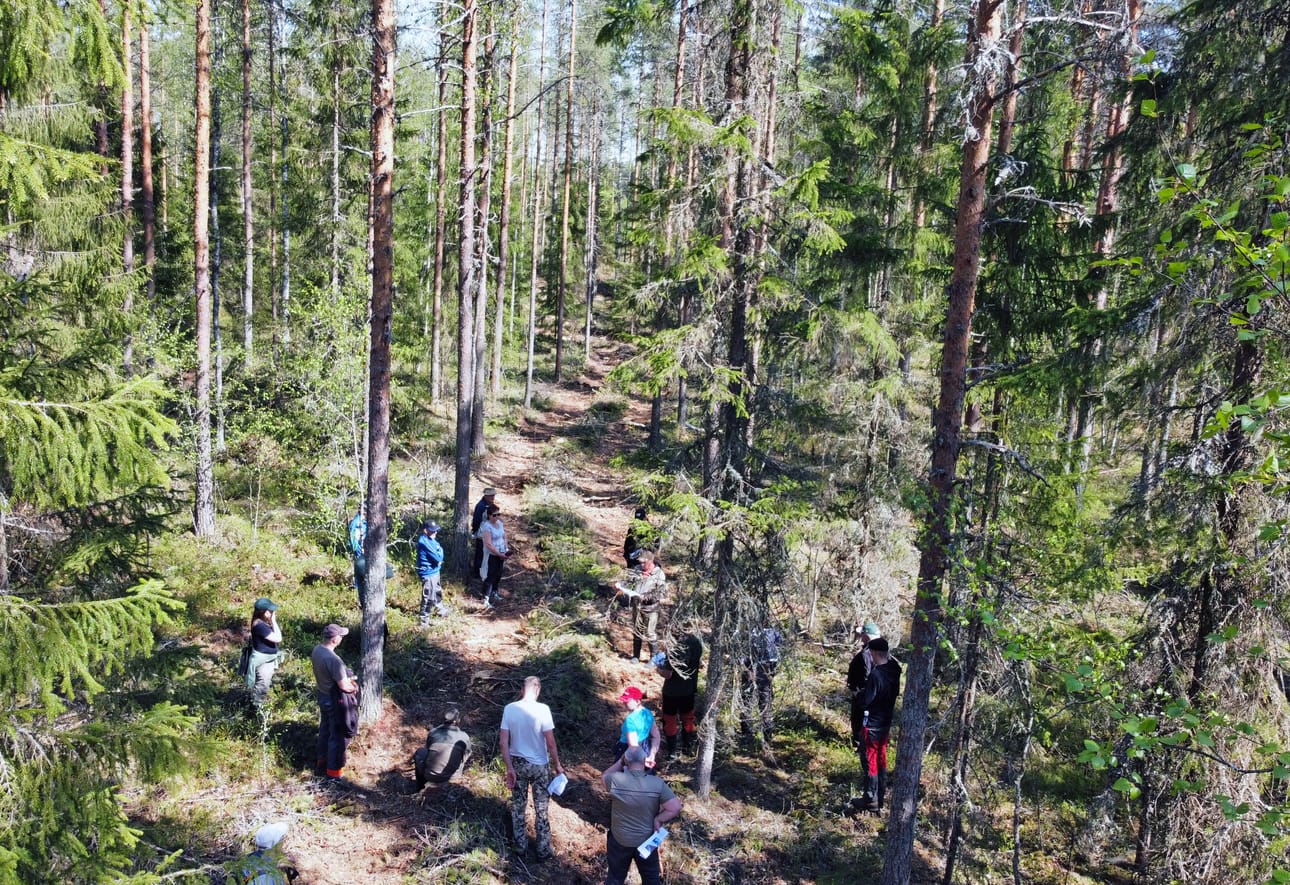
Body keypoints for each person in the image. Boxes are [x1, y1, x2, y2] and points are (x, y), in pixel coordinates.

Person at [499, 675, 565, 861]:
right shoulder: (543, 709)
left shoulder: (510, 709)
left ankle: (520, 846)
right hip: (539, 765)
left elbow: (503, 742)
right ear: (537, 690)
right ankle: (543, 848)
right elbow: (550, 742)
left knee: (518, 806)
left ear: (522, 690)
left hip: (518, 763)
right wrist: (557, 764)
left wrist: (509, 767)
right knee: (541, 808)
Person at [601, 745, 683, 885]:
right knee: (651, 879)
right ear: (645, 760)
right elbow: (675, 807)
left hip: (620, 840)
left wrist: (621, 762)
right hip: (647, 841)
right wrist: (658, 819)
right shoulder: (657, 783)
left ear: (626, 760)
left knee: (615, 878)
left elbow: (603, 777)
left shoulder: (615, 780)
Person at [858, 636, 902, 812]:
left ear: (875, 653)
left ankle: (871, 798)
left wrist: (858, 694)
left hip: (872, 724)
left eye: (871, 653)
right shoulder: (895, 669)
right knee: (881, 758)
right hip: (885, 721)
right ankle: (880, 796)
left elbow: (866, 700)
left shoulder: (876, 674)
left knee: (870, 761)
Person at [312, 624, 358, 779]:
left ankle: (321, 760)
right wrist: (353, 687)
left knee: (324, 729)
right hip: (333, 700)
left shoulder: (317, 650)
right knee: (337, 736)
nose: (342, 638)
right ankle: (334, 772)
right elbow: (344, 686)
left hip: (322, 695)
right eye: (341, 636)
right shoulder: (334, 660)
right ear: (334, 639)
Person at [614, 550, 666, 663]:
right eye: (640, 562)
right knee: (637, 630)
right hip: (636, 606)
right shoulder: (637, 569)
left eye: (644, 563)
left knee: (649, 632)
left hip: (650, 609)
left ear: (651, 561)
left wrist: (647, 596)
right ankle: (636, 656)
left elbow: (661, 593)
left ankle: (653, 658)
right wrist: (620, 586)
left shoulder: (659, 574)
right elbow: (629, 581)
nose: (642, 565)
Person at [657, 630, 702, 758]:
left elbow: (668, 674)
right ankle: (688, 748)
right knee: (688, 718)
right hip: (689, 689)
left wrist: (658, 669)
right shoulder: (696, 643)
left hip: (672, 692)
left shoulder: (676, 647)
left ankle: (672, 752)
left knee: (670, 720)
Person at [742, 621, 783, 746]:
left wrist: (746, 669)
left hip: (755, 667)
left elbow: (741, 653)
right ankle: (766, 734)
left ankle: (749, 733)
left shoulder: (749, 631)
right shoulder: (773, 632)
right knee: (763, 699)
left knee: (749, 699)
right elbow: (780, 647)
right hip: (762, 668)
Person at [414, 707, 472, 787]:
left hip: (430, 776)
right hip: (453, 777)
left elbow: (428, 751)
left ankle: (420, 786)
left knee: (420, 752)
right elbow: (465, 757)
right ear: (458, 721)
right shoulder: (464, 737)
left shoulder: (433, 733)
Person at [846, 621, 881, 753]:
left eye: (862, 634)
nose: (860, 636)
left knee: (860, 720)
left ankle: (862, 748)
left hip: (865, 695)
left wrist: (860, 693)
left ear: (867, 636)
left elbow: (868, 675)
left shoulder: (868, 653)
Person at [245, 597, 282, 705]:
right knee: (262, 686)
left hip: (267, 659)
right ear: (265, 613)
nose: (273, 613)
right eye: (271, 611)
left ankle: (256, 707)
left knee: (263, 685)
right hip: (263, 662)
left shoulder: (261, 623)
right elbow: (278, 638)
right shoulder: (260, 626)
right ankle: (256, 710)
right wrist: (274, 621)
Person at [614, 686, 660, 766]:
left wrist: (642, 760)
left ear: (637, 701)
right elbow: (656, 736)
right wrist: (652, 754)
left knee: (616, 774)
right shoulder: (647, 713)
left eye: (627, 701)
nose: (624, 703)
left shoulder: (630, 720)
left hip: (626, 749)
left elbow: (633, 747)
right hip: (645, 747)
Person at [416, 520, 449, 624]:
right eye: (433, 531)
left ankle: (440, 610)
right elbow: (438, 557)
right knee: (428, 597)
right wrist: (439, 552)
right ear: (425, 531)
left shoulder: (431, 540)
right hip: (428, 573)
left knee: (437, 591)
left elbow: (439, 550)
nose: (435, 533)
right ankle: (424, 621)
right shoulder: (424, 542)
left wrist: (439, 551)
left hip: (435, 571)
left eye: (436, 530)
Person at [479, 505, 509, 609]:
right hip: (492, 554)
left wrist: (505, 549)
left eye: (498, 514)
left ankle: (494, 592)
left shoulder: (500, 523)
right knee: (490, 575)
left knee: (498, 573)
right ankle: (485, 597)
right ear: (489, 515)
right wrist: (498, 554)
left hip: (501, 552)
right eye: (494, 515)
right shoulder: (487, 527)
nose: (497, 517)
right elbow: (489, 544)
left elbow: (504, 536)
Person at [471, 487, 498, 577]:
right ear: (486, 496)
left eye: (493, 495)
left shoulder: (489, 505)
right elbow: (476, 521)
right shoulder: (481, 506)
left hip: (488, 534)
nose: (493, 497)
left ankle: (484, 571)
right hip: (481, 535)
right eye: (491, 495)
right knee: (480, 554)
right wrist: (475, 531)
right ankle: (477, 573)